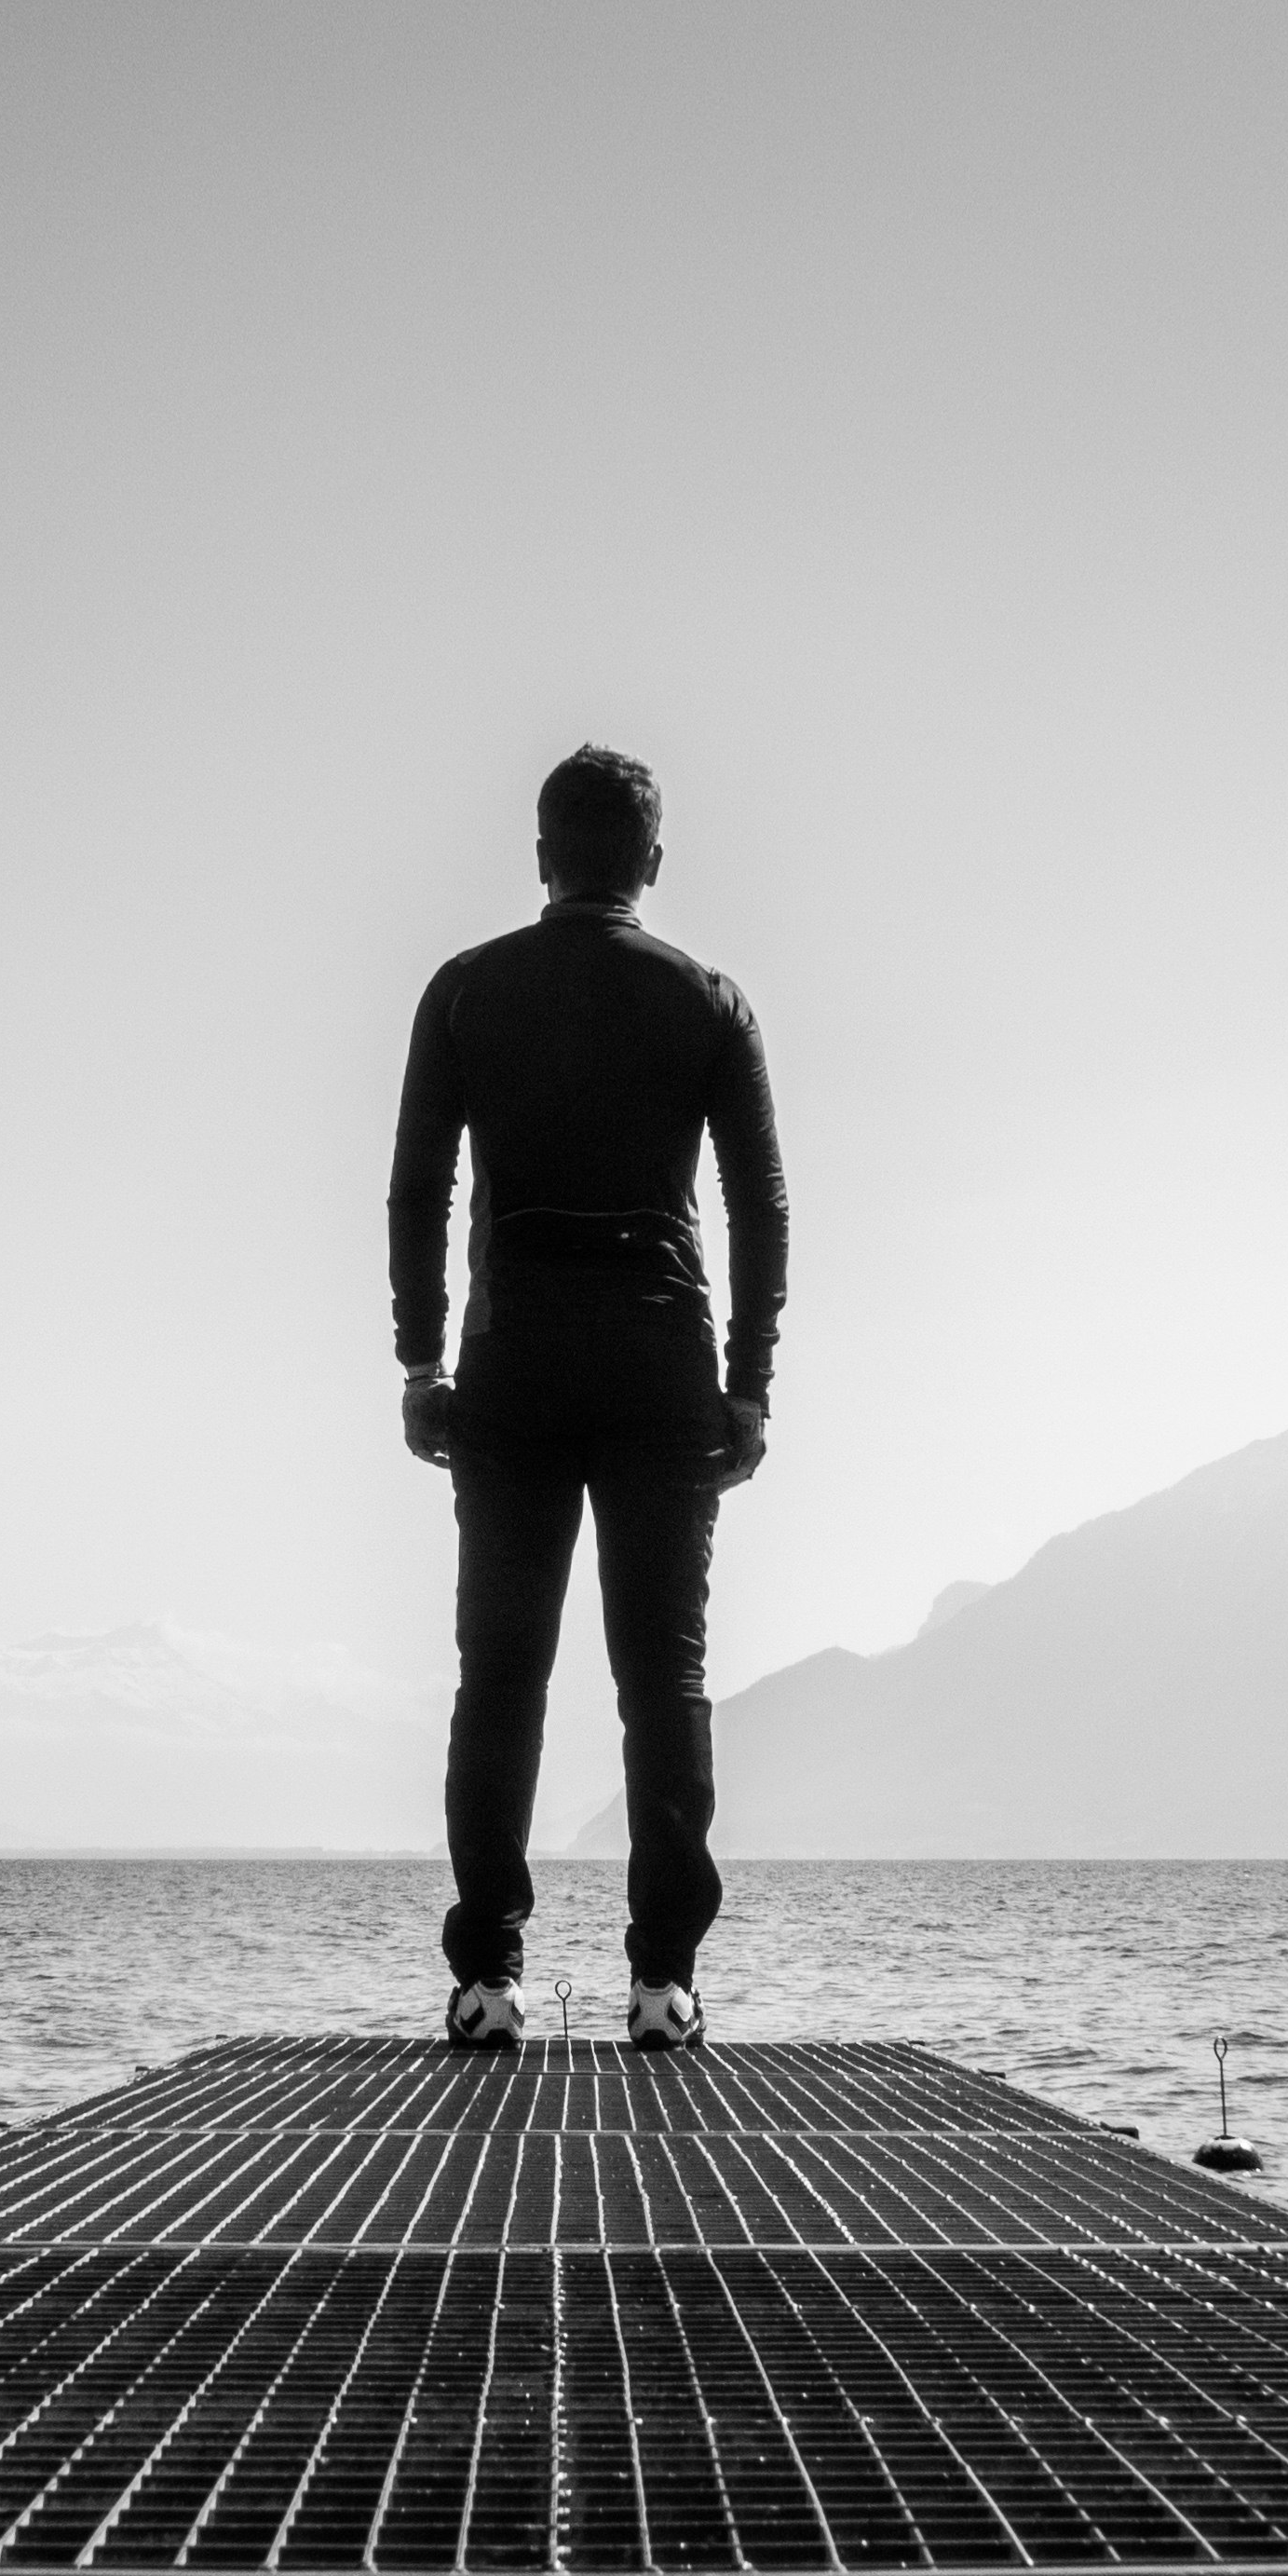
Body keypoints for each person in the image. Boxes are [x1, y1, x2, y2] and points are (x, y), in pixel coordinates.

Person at [387, 743, 789, 2051]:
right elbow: (759, 1204)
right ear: (652, 865)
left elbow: (417, 1191)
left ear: (543, 856)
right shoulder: (708, 1002)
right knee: (659, 1676)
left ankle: (487, 1982)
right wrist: (748, 1386)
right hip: (661, 1359)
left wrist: (421, 1363)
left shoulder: (463, 992)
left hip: (511, 1362)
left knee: (498, 1678)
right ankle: (662, 1986)